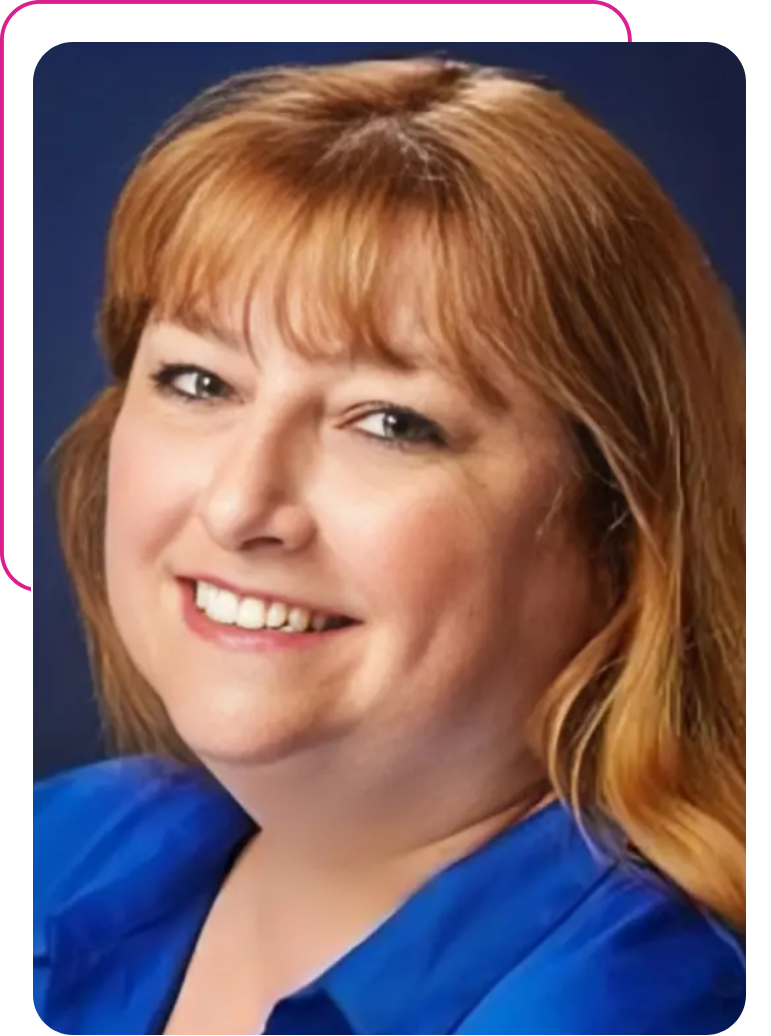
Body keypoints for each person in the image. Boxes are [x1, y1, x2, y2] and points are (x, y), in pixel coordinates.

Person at [33, 57, 746, 1035]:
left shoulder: (645, 1004)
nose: (242, 504)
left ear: (616, 531)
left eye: (392, 423)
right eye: (200, 382)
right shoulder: (68, 838)